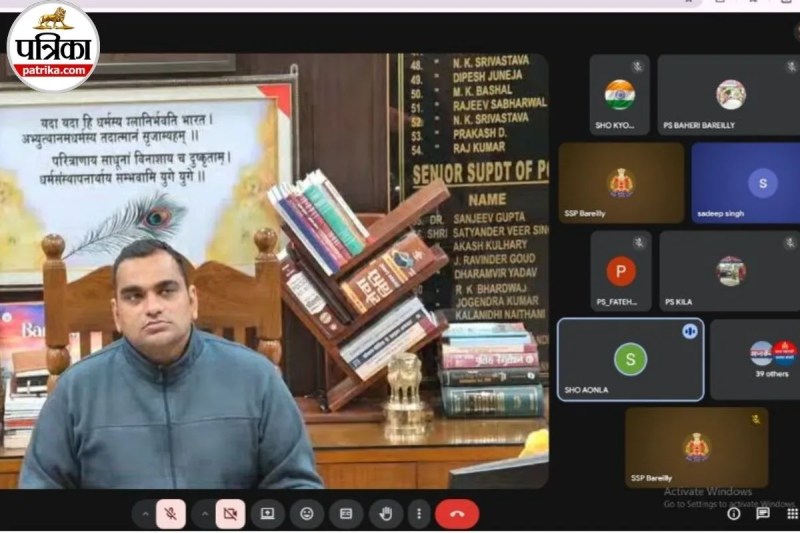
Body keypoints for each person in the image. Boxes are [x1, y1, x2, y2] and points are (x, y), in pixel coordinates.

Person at [19, 239, 324, 489]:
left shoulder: (257, 378)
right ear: (117, 314)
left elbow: (296, 485)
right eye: (134, 296)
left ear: (192, 301)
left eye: (166, 291)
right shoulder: (76, 391)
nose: (153, 307)